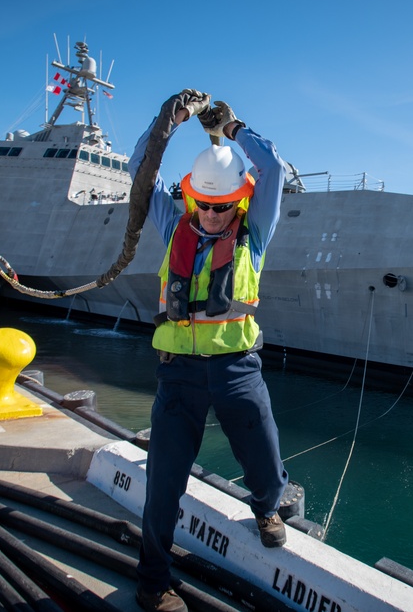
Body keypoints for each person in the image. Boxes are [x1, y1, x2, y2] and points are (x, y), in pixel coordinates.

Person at [133, 93, 291, 612]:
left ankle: (267, 507)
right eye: (206, 203)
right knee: (163, 482)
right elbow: (139, 169)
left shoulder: (255, 232)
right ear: (192, 197)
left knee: (263, 452)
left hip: (237, 368)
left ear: (240, 200)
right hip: (178, 375)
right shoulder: (172, 225)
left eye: (225, 205)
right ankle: (153, 583)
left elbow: (272, 167)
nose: (215, 213)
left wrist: (233, 126)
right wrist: (168, 123)